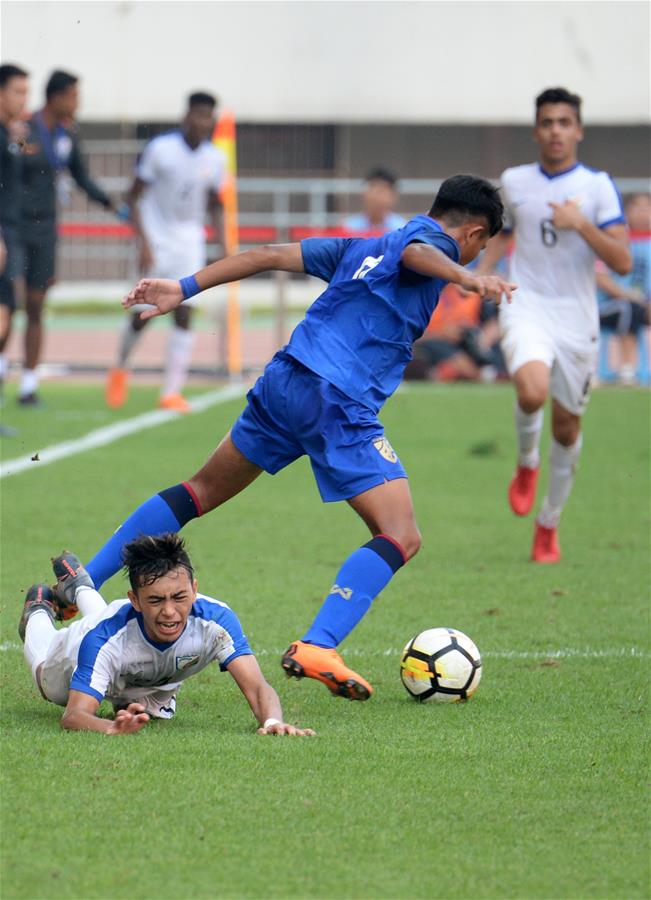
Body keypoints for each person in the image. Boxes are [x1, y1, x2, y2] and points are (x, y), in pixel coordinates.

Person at [82, 174, 514, 703]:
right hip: (337, 400)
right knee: (401, 534)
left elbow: (266, 255)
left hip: (286, 381)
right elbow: (420, 254)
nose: (470, 257)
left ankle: (81, 582)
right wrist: (466, 278)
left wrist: (184, 286)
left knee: (199, 491)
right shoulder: (432, 248)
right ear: (473, 234)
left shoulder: (361, 247)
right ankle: (318, 645)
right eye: (477, 249)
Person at [477, 87, 632, 563]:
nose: (555, 131)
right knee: (531, 391)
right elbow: (502, 235)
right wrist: (483, 272)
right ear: (536, 131)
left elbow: (623, 261)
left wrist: (581, 224)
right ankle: (527, 462)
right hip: (526, 303)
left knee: (566, 430)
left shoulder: (598, 187)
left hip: (577, 318)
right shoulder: (515, 181)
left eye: (564, 122)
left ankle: (549, 522)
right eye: (547, 123)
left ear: (578, 130)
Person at [18, 536, 315, 736]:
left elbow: (258, 687)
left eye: (180, 597)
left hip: (144, 677)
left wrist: (273, 721)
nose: (170, 611)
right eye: (156, 600)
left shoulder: (216, 621)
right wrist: (110, 728)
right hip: (87, 647)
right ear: (135, 600)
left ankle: (79, 585)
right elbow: (73, 716)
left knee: (149, 713)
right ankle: (38, 609)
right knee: (48, 681)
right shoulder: (101, 640)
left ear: (194, 589)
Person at [105, 92, 224, 414]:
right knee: (141, 315)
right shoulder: (161, 149)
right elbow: (132, 196)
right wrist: (143, 243)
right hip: (156, 241)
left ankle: (171, 391)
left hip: (189, 244)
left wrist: (224, 244)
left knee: (185, 313)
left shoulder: (215, 158)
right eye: (198, 115)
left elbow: (216, 204)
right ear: (187, 116)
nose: (203, 122)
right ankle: (120, 367)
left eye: (208, 117)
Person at [16, 69, 116, 406]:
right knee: (7, 303)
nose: (77, 103)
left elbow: (81, 177)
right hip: (14, 227)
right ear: (56, 97)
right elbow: (10, 166)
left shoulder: (67, 134)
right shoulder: (24, 129)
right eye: (74, 96)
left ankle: (28, 385)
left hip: (46, 230)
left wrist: (112, 204)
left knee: (36, 304)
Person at [0, 63, 29, 422]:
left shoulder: (11, 133)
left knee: (8, 311)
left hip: (11, 231)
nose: (24, 99)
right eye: (18, 92)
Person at [597, 193, 651, 384]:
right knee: (628, 308)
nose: (643, 213)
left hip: (643, 304)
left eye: (647, 208)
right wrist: (633, 296)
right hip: (607, 305)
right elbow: (599, 275)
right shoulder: (611, 240)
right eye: (637, 207)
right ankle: (627, 368)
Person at [343, 168, 406, 234]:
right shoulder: (348, 228)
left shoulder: (402, 229)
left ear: (393, 197)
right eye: (376, 192)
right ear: (364, 195)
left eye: (383, 192)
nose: (379, 199)